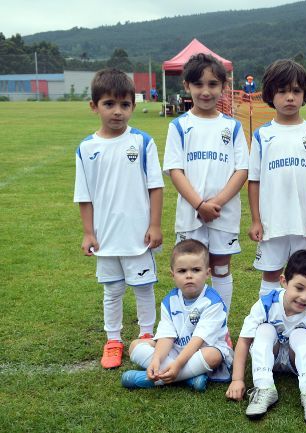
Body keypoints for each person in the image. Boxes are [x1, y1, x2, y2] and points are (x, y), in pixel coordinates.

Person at [74, 68, 164, 369]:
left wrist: (154, 225)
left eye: (125, 105)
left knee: (143, 288)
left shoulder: (142, 142)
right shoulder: (87, 148)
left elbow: (155, 187)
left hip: (138, 236)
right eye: (109, 104)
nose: (117, 111)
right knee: (112, 291)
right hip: (106, 236)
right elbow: (84, 196)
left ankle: (147, 335)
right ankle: (113, 340)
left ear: (133, 107)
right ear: (94, 106)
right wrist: (88, 233)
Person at [163, 54, 249, 312]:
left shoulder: (232, 127)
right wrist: (200, 204)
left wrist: (217, 203)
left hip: (224, 213)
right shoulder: (179, 126)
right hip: (191, 214)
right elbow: (175, 170)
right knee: (191, 270)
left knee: (220, 269)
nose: (206, 91)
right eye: (198, 84)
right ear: (187, 86)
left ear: (223, 87)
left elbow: (242, 170)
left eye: (213, 84)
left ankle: (219, 329)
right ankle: (191, 327)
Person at [248, 59, 306, 297]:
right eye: (282, 91)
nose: (290, 97)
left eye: (296, 91)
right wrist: (256, 220)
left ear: (304, 94)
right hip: (272, 222)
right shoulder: (262, 135)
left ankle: (305, 323)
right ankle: (268, 322)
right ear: (270, 94)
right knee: (271, 274)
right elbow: (254, 181)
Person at [225, 250, 306, 424]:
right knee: (265, 329)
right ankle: (264, 387)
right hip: (272, 356)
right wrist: (237, 379)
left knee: (301, 334)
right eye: (299, 288)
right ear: (284, 281)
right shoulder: (267, 303)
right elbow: (245, 340)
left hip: (295, 362)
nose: (304, 297)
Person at [121, 239, 233, 390]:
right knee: (135, 346)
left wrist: (178, 364)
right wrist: (156, 360)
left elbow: (198, 340)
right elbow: (167, 336)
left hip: (201, 350)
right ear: (173, 275)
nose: (189, 275)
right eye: (182, 271)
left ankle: (155, 379)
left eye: (196, 270)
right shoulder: (170, 300)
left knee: (213, 355)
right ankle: (188, 378)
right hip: (175, 350)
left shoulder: (213, 302)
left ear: (207, 272)